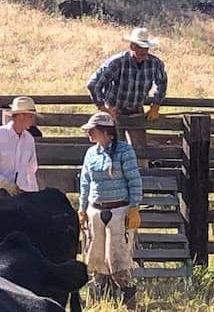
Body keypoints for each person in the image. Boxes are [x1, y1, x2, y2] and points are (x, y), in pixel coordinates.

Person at [77, 111, 142, 310]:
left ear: (105, 131)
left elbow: (134, 180)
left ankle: (128, 297)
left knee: (118, 256)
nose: (89, 134)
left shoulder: (124, 151)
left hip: (119, 210)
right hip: (95, 209)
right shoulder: (91, 153)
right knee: (95, 256)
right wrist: (82, 208)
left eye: (93, 130)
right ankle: (99, 299)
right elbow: (85, 183)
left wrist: (134, 207)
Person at [87, 27, 167, 169]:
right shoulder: (117, 62)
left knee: (140, 150)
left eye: (146, 48)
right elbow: (94, 84)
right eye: (140, 47)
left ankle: (142, 182)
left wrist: (156, 105)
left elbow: (162, 83)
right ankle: (113, 179)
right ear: (132, 46)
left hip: (136, 110)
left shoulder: (155, 63)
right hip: (114, 111)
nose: (143, 51)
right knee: (113, 148)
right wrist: (103, 108)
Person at [0, 96, 40, 199]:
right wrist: (4, 183)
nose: (32, 120)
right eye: (30, 116)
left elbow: (31, 170)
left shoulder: (29, 139)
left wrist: (35, 196)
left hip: (23, 193)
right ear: (21, 115)